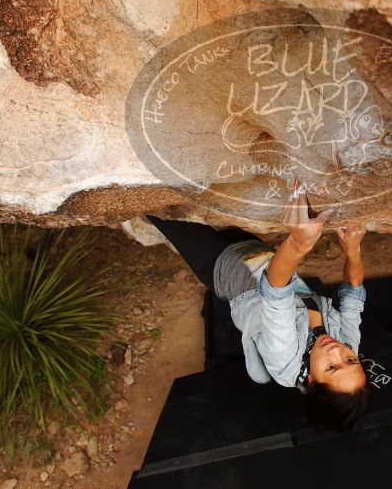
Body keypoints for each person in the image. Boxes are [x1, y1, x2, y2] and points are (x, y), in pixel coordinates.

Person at [146, 178, 370, 432]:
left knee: (159, 203)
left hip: (225, 266)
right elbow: (354, 295)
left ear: (311, 381)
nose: (338, 352)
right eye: (351, 360)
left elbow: (276, 292)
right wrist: (353, 251)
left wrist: (299, 243)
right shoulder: (347, 344)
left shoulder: (283, 356)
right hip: (259, 252)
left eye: (331, 367)